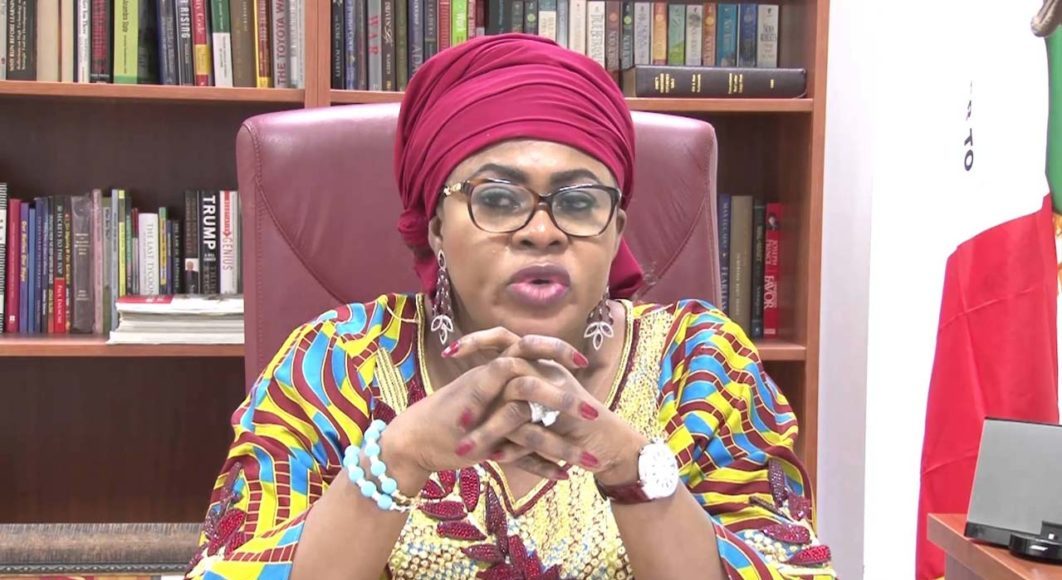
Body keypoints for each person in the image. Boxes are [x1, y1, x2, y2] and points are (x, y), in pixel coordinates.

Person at [185, 33, 834, 580]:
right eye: (497, 199)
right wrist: (400, 458)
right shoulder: (337, 363)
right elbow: (232, 567)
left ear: (616, 232)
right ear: (436, 228)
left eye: (579, 203)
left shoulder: (700, 365)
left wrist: (629, 464)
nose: (542, 232)